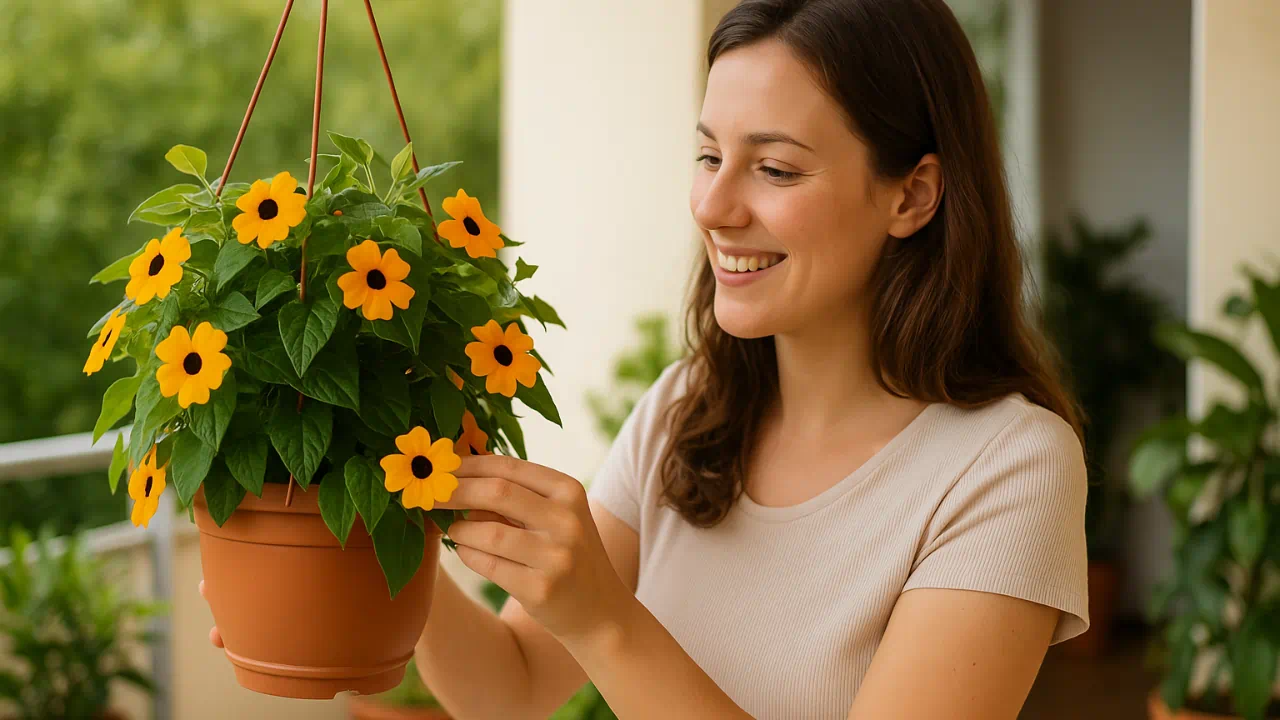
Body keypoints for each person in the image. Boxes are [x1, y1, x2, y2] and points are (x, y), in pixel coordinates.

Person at [204, 0, 1089, 717]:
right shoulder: (685, 413)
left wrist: (606, 621)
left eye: (775, 170)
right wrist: (381, 500)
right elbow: (506, 689)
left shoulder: (1006, 466)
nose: (712, 204)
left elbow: (598, 635)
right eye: (708, 154)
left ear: (914, 194)